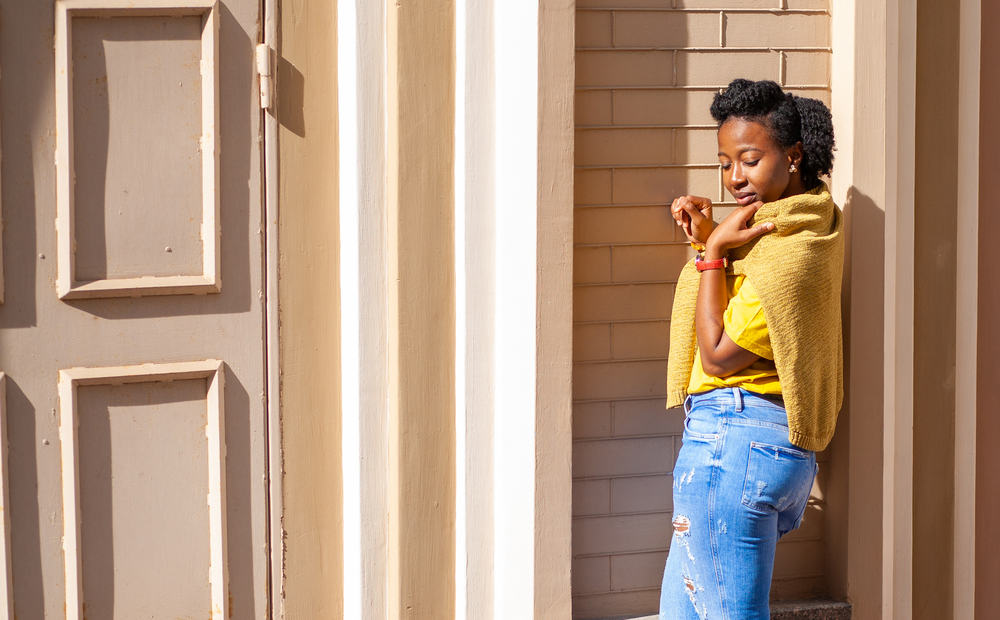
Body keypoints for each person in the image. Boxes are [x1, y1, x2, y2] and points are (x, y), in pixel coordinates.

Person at [658, 78, 844, 619]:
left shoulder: (789, 257)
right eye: (724, 162)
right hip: (755, 446)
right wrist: (709, 238)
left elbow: (716, 353)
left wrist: (713, 251)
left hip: (734, 447)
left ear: (793, 154)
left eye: (749, 159)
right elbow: (751, 311)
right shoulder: (801, 230)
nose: (734, 177)